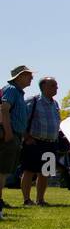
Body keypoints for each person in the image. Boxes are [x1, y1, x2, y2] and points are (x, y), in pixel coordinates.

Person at [21, 75, 61, 207]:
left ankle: (40, 199)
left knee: (45, 172)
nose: (56, 88)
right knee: (29, 171)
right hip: (34, 142)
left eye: (56, 85)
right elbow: (22, 121)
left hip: (50, 143)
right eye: (53, 85)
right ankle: (27, 200)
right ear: (43, 87)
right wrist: (27, 137)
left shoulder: (55, 104)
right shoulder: (32, 101)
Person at [0, 66, 34, 219]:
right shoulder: (12, 90)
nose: (31, 78)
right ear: (19, 77)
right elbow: (4, 110)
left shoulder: (18, 92)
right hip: (9, 135)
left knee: (4, 171)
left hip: (15, 135)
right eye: (28, 75)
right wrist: (8, 132)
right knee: (1, 170)